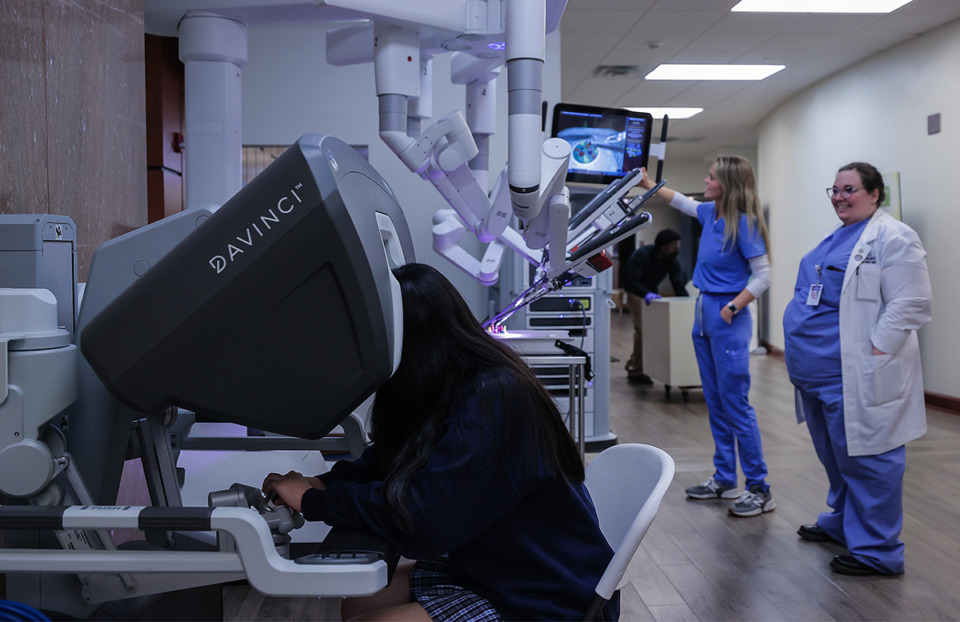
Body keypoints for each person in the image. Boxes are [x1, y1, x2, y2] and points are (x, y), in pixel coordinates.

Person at [262, 262, 618, 621]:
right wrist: (326, 482)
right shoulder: (458, 385)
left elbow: (422, 519)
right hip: (497, 568)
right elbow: (398, 455)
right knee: (358, 602)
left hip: (546, 597)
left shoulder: (494, 396)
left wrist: (315, 501)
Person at [782, 162, 932, 576]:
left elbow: (912, 303)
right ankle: (843, 523)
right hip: (818, 376)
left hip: (857, 375)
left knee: (871, 460)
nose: (839, 197)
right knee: (838, 458)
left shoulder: (894, 236)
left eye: (849, 189)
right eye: (834, 189)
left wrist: (876, 352)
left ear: (874, 193)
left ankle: (878, 551)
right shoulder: (841, 235)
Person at [638, 156, 774, 517]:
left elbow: (763, 276)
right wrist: (647, 184)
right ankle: (726, 478)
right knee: (714, 401)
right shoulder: (710, 213)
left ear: (727, 184)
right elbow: (681, 200)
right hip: (703, 313)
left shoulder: (744, 224)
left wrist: (732, 307)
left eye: (711, 177)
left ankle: (760, 487)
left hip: (728, 315)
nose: (705, 180)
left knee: (736, 405)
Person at [622, 228, 689, 385]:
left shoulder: (671, 259)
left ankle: (634, 362)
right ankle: (636, 371)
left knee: (652, 332)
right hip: (635, 292)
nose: (677, 247)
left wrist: (688, 303)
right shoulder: (642, 255)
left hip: (652, 293)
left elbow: (678, 284)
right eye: (675, 245)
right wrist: (646, 294)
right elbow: (631, 281)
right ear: (664, 246)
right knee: (643, 330)